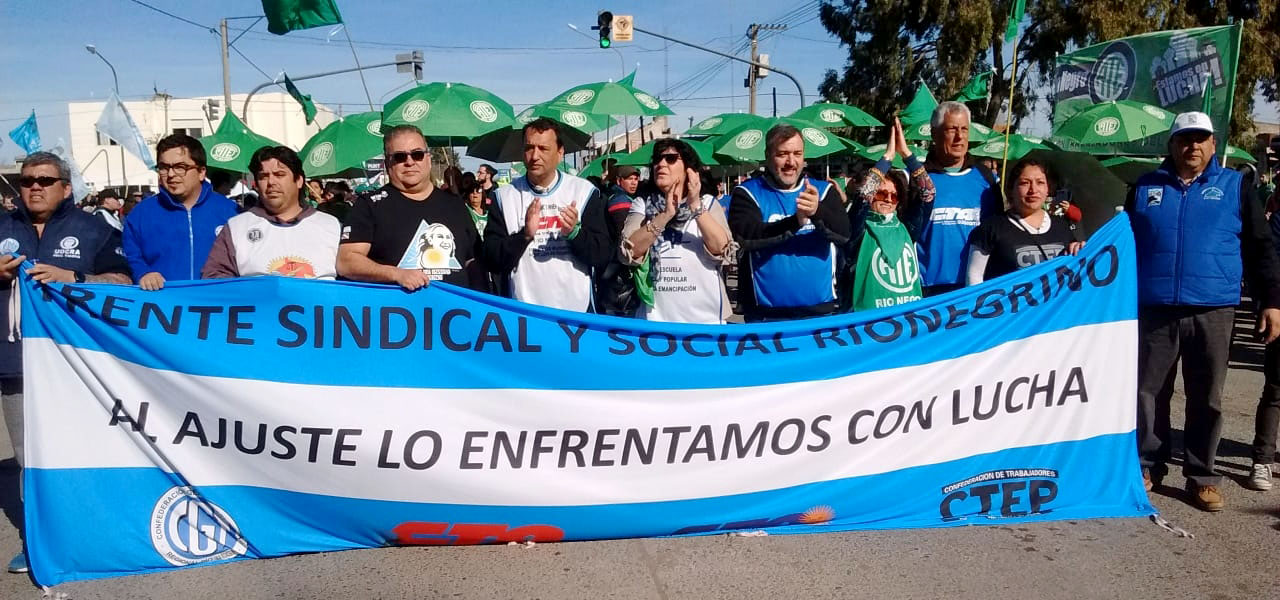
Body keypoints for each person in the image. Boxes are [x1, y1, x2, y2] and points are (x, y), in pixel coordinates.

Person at [1127, 111, 1280, 511]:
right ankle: (1147, 466)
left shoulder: (1236, 186)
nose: (1191, 146)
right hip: (1154, 306)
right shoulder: (1145, 187)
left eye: (1200, 139)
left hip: (1214, 308)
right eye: (1184, 139)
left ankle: (1201, 475)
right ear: (1171, 145)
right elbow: (1121, 243)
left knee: (1206, 397)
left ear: (1213, 145)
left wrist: (1272, 302)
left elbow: (1260, 248)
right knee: (1148, 393)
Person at [0, 152, 131, 573]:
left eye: (45, 180)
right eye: (27, 180)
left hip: (76, 365)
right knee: (30, 460)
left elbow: (123, 283)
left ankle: (99, 536)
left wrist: (74, 278)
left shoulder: (92, 229)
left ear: (66, 187)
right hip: (15, 365)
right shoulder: (1, 227)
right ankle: (41, 543)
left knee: (86, 450)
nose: (35, 187)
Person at [483, 118, 611, 311]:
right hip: (524, 315)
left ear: (560, 153)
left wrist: (575, 234)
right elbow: (491, 259)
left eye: (543, 148)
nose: (534, 156)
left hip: (576, 313)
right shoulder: (504, 197)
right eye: (529, 148)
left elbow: (602, 255)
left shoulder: (584, 192)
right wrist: (524, 236)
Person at [728, 124, 852, 322]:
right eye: (782, 154)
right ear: (768, 156)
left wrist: (817, 211)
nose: (791, 162)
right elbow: (746, 236)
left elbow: (844, 234)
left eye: (797, 153)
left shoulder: (824, 190)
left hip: (821, 312)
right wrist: (796, 222)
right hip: (767, 316)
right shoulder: (747, 192)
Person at [337, 125, 483, 291]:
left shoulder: (455, 204)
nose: (409, 162)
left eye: (417, 154)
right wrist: (396, 274)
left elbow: (473, 260)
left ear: (428, 159)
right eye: (400, 157)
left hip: (455, 314)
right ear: (387, 163)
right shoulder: (369, 205)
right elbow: (346, 262)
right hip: (395, 313)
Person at [620, 139, 734, 324]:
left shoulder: (708, 203)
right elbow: (629, 251)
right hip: (656, 318)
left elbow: (723, 250)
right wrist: (664, 216)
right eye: (657, 159)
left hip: (706, 318)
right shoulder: (642, 204)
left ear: (688, 168)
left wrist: (695, 206)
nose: (661, 164)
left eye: (671, 158)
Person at [901, 102, 1002, 297]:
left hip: (975, 289)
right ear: (934, 134)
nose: (959, 137)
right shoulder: (912, 178)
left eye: (964, 129)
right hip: (927, 291)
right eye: (951, 129)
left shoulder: (987, 179)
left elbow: (1001, 233)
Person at [202, 146, 340, 279]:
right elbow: (215, 282)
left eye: (280, 175)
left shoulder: (331, 225)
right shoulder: (236, 227)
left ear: (299, 181)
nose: (271, 182)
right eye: (263, 176)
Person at [122, 134, 239, 291]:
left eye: (180, 167)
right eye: (164, 168)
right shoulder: (140, 215)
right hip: (163, 307)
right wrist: (143, 273)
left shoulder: (231, 212)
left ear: (201, 172)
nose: (170, 175)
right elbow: (130, 256)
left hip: (217, 306)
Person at [840, 118, 929, 311]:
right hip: (868, 324)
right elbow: (863, 196)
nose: (888, 199)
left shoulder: (908, 228)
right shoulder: (858, 229)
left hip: (907, 320)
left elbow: (929, 194)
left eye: (894, 196)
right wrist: (887, 158)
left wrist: (907, 155)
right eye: (881, 193)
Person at [966, 158, 1083, 284]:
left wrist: (1080, 248)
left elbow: (1075, 270)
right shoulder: (991, 228)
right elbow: (974, 278)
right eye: (1025, 183)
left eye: (1040, 183)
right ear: (1011, 189)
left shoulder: (1062, 227)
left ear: (1048, 189)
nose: (1033, 190)